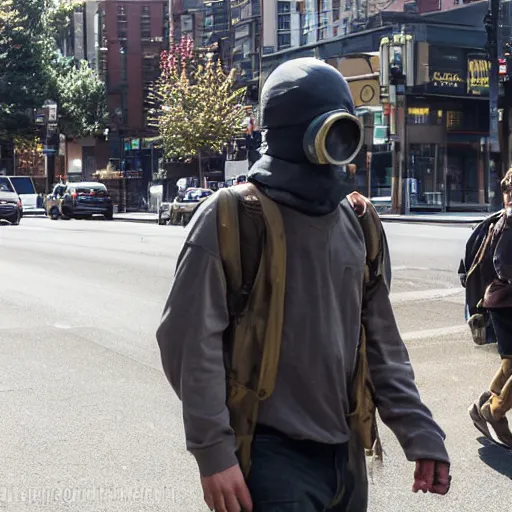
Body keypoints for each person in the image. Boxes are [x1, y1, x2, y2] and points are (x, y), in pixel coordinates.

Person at [156, 58, 450, 512]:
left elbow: (379, 340)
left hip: (346, 456)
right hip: (270, 459)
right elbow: (189, 343)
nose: (335, 145)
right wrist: (214, 453)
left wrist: (419, 430)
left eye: (343, 130)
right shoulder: (231, 217)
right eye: (328, 129)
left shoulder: (359, 221)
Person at [469, 168, 512, 448]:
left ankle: (483, 404)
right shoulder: (509, 220)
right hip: (506, 301)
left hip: (502, 300)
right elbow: (502, 262)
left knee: (509, 363)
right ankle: (494, 412)